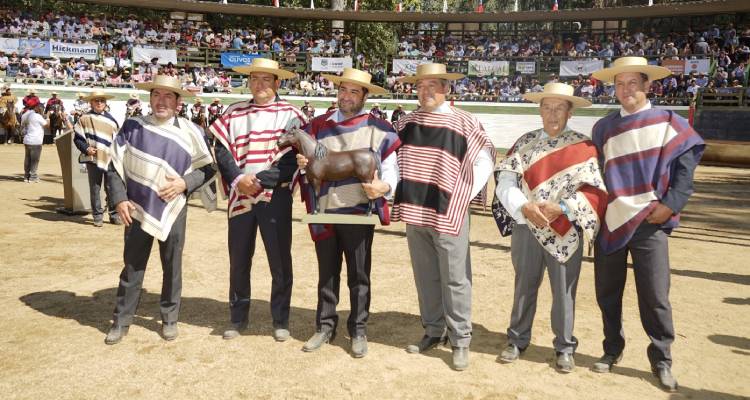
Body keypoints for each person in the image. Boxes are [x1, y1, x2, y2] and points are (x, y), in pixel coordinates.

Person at [589, 57, 705, 391]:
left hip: (651, 223)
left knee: (655, 295)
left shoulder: (670, 123)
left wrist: (670, 206)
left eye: (632, 83)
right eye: (619, 84)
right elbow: (594, 174)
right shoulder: (604, 127)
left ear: (647, 85)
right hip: (611, 222)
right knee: (607, 293)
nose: (625, 90)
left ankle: (662, 359)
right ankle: (612, 349)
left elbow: (685, 174)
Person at [493, 83, 607, 373]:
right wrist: (524, 207)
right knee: (524, 286)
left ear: (570, 111)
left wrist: (564, 208)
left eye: (559, 108)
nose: (553, 113)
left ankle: (565, 346)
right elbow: (506, 181)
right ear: (539, 109)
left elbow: (595, 191)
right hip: (527, 227)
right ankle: (517, 340)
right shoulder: (524, 143)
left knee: (564, 291)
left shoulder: (584, 147)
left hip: (566, 229)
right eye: (547, 107)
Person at [393, 63, 495, 371]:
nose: (425, 92)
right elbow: (390, 160)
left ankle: (460, 339)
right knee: (426, 275)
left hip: (449, 212)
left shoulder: (464, 122)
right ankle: (433, 331)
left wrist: (460, 197)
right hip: (416, 209)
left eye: (432, 86)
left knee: (455, 277)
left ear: (446, 88)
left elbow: (484, 161)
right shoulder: (406, 122)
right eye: (420, 87)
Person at [104, 75, 216, 345]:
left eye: (168, 96)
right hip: (135, 208)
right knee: (132, 267)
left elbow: (208, 168)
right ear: (150, 97)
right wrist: (119, 200)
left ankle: (169, 319)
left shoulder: (190, 131)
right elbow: (113, 167)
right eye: (157, 95)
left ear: (178, 102)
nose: (161, 101)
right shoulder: (131, 127)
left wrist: (184, 183)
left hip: (174, 209)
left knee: (172, 266)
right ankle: (121, 321)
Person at [296, 67, 400, 358]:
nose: (347, 96)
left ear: (365, 96)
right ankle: (325, 326)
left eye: (355, 91)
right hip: (326, 211)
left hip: (357, 212)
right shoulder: (316, 126)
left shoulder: (379, 128)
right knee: (326, 273)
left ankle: (358, 329)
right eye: (343, 89)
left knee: (359, 274)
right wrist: (302, 163)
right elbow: (304, 168)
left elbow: (391, 169)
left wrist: (384, 186)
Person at [207, 58, 305, 342]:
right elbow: (221, 151)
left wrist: (259, 180)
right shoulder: (234, 112)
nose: (259, 85)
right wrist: (239, 179)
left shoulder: (292, 115)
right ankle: (237, 318)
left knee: (280, 260)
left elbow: (292, 160)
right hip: (241, 196)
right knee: (238, 259)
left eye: (266, 79)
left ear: (277, 83)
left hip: (275, 197)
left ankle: (280, 319)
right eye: (254, 79)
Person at [73, 91, 121, 227]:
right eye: (96, 100)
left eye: (102, 100)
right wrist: (86, 149)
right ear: (91, 102)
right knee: (95, 187)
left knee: (111, 187)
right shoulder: (84, 118)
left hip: (110, 157)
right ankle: (97, 216)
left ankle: (114, 214)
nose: (99, 103)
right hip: (93, 157)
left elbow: (117, 139)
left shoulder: (112, 120)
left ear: (105, 103)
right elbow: (77, 138)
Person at [20, 104, 54, 182]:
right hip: (36, 140)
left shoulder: (25, 115)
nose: (42, 111)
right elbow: (47, 125)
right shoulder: (37, 116)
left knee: (27, 158)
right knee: (35, 159)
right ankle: (33, 177)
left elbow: (22, 125)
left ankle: (26, 176)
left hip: (27, 140)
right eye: (41, 109)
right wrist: (48, 117)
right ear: (37, 108)